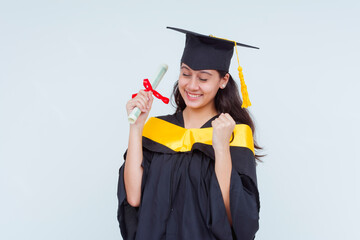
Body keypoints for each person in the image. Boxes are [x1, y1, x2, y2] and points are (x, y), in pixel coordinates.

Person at [117, 26, 262, 240]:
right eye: (186, 74)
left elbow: (235, 218)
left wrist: (221, 148)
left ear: (223, 81)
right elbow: (134, 197)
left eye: (203, 79)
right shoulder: (157, 130)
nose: (192, 85)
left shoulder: (234, 135)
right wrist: (136, 127)